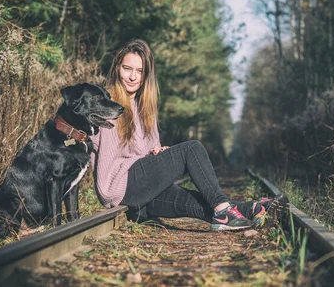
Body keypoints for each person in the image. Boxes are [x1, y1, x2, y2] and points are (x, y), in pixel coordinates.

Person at [90, 39, 282, 231]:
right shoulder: (106, 105)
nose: (133, 77)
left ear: (147, 74)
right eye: (127, 69)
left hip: (140, 192)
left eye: (139, 71)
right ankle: (224, 209)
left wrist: (157, 153)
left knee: (191, 201)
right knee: (191, 149)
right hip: (122, 184)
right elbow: (107, 155)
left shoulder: (145, 108)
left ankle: (251, 209)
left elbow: (145, 151)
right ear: (117, 69)